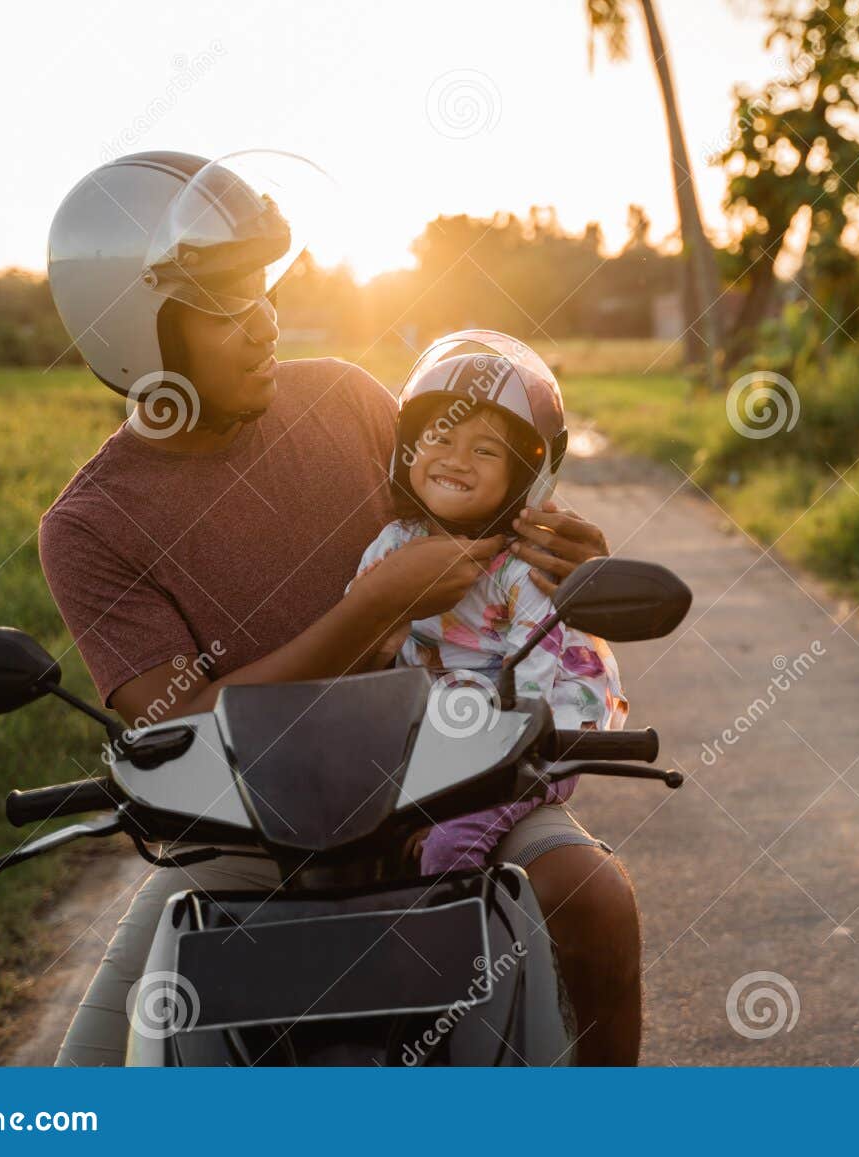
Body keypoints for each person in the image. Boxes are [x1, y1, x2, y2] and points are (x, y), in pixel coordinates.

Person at [39, 151, 642, 1065]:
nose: (265, 325)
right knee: (90, 1079)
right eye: (229, 307)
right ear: (137, 332)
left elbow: (486, 503)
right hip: (249, 831)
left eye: (265, 292)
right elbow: (184, 722)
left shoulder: (349, 402)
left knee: (592, 896)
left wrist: (572, 566)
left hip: (451, 784)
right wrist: (371, 610)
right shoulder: (89, 526)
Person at [349, 342, 627, 874]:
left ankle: (448, 944)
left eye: (484, 451)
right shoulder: (391, 545)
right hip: (446, 732)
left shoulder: (524, 565)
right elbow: (359, 633)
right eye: (440, 436)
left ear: (524, 475)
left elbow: (532, 685)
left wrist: (467, 786)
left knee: (450, 851)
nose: (455, 458)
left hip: (535, 736)